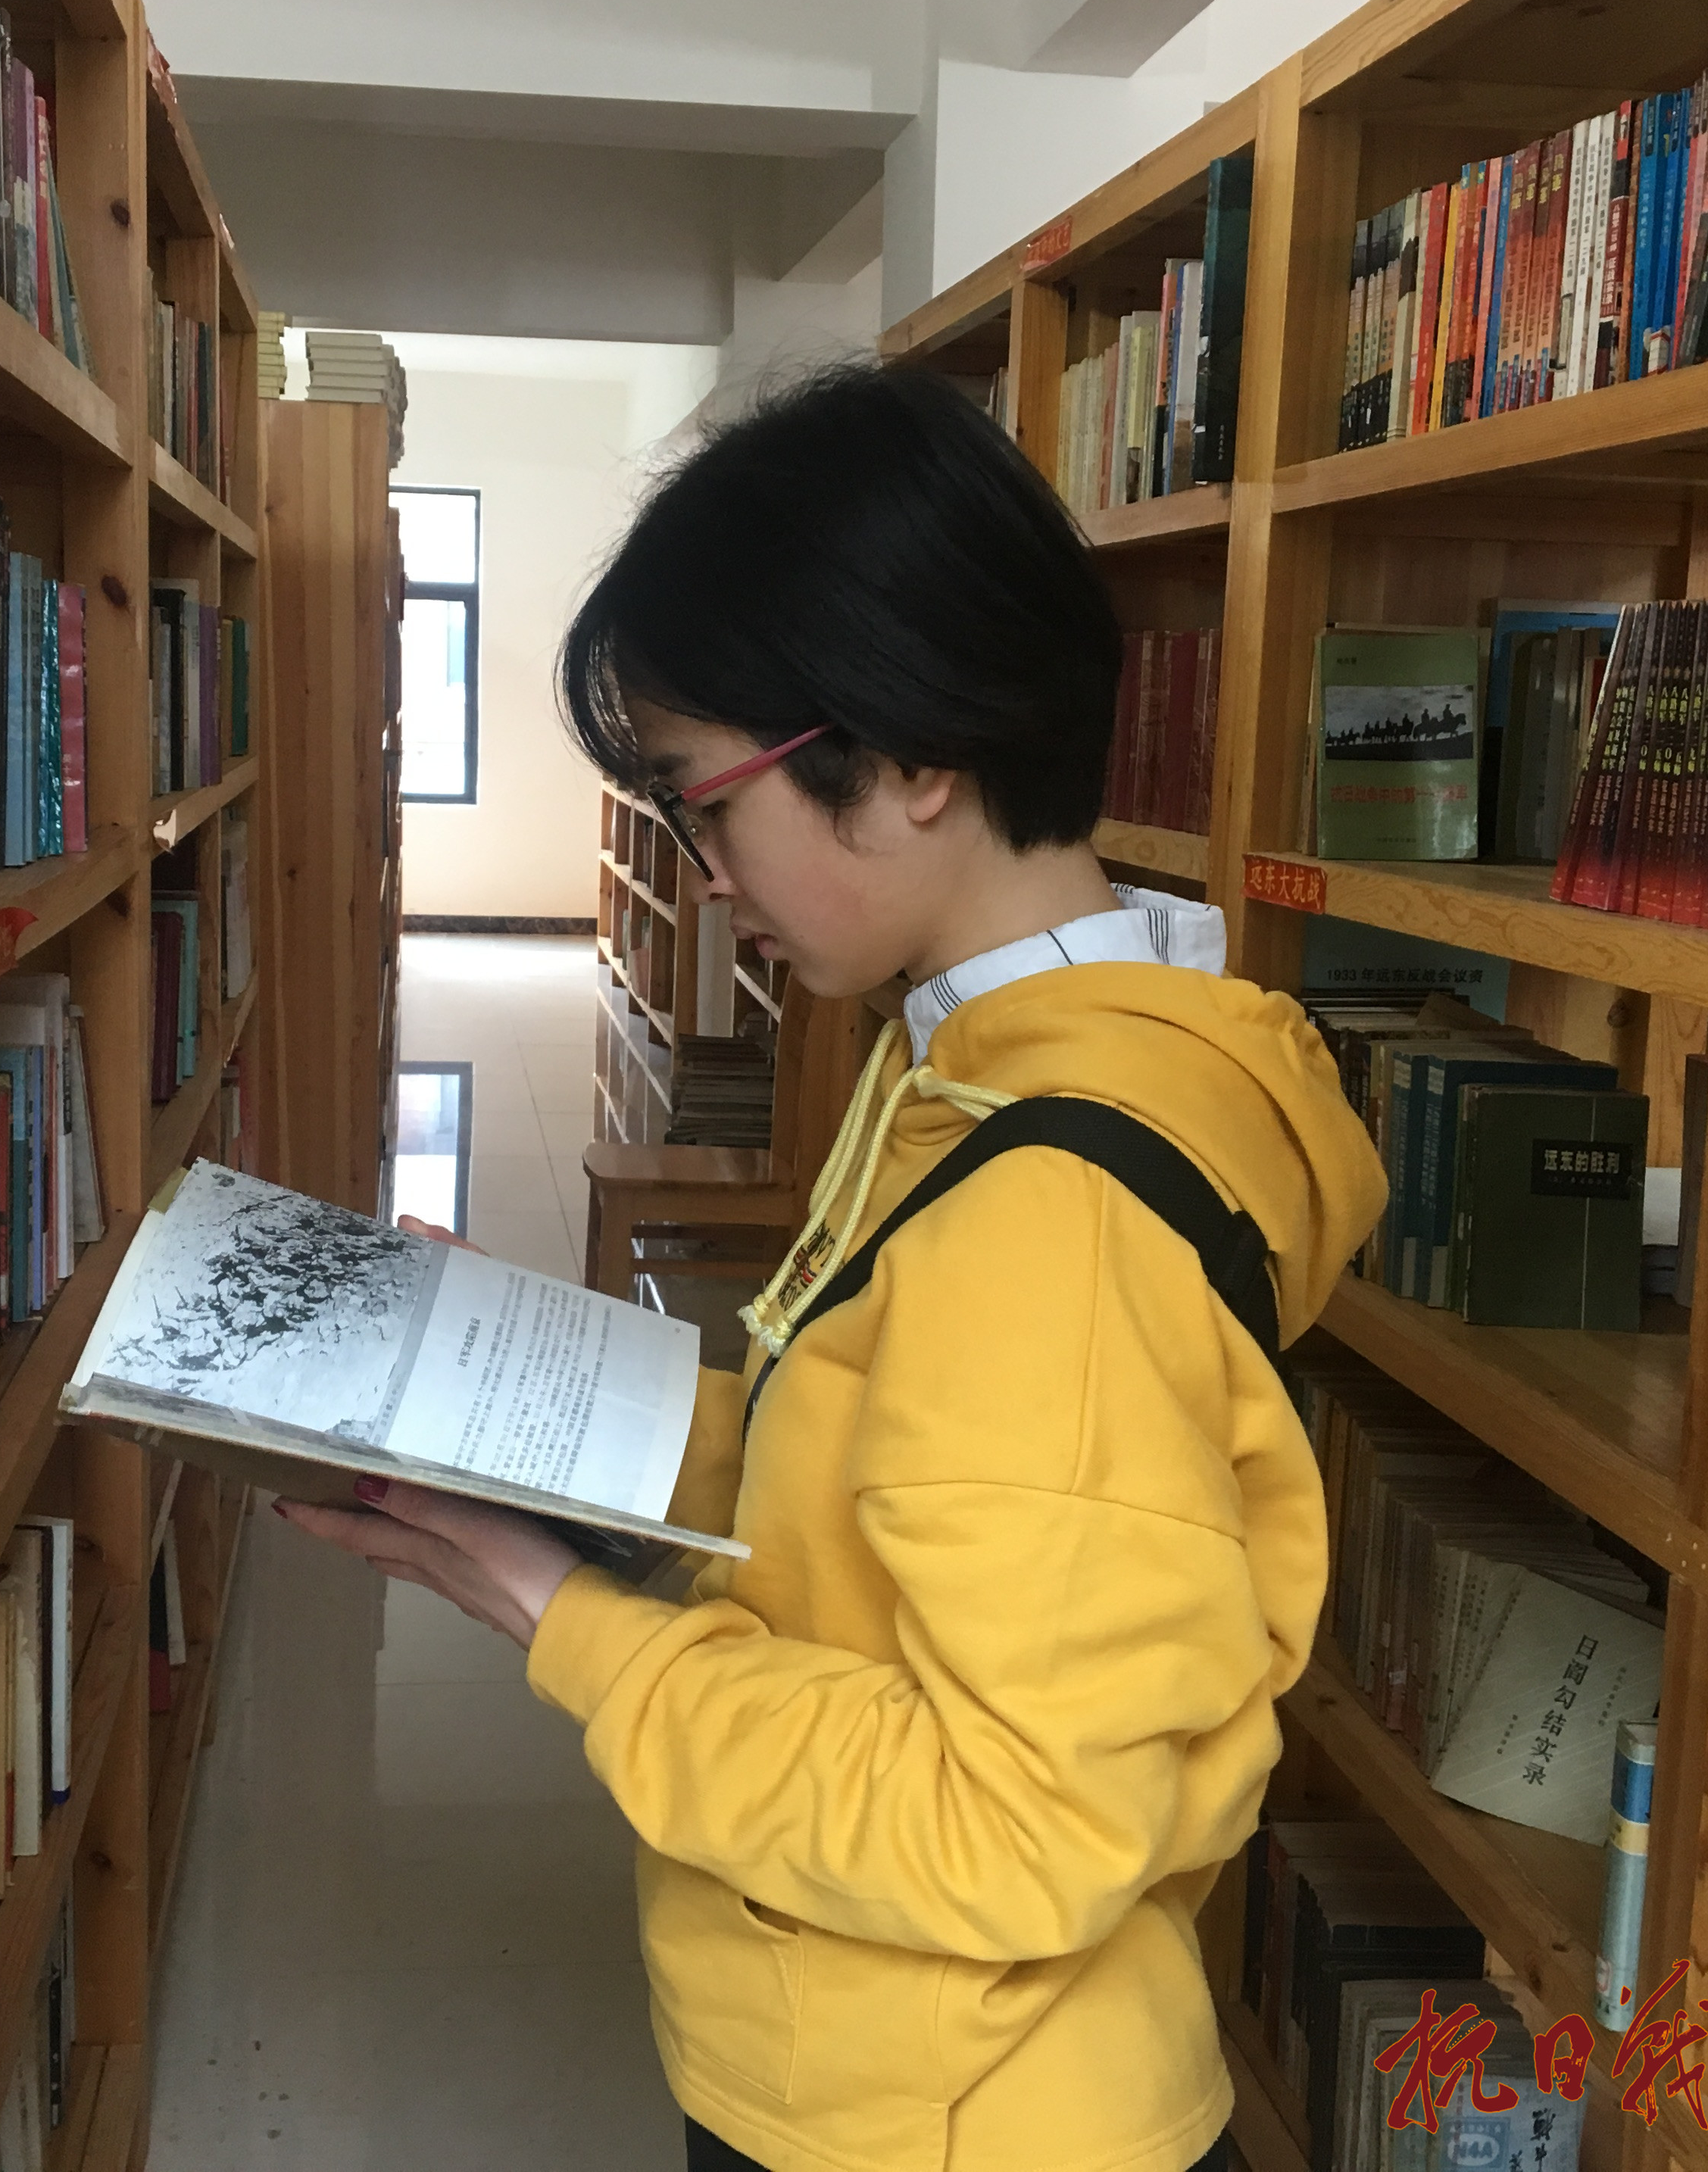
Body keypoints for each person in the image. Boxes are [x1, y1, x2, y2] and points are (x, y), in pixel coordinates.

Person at [276, 361, 1386, 2172]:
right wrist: (545, 1386)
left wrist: (565, 1621)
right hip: (906, 2071)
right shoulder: (979, 1067)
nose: (706, 872)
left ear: (915, 756)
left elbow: (1014, 1827)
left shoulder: (1052, 1215)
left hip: (947, 2121)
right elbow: (885, 1472)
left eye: (707, 803)